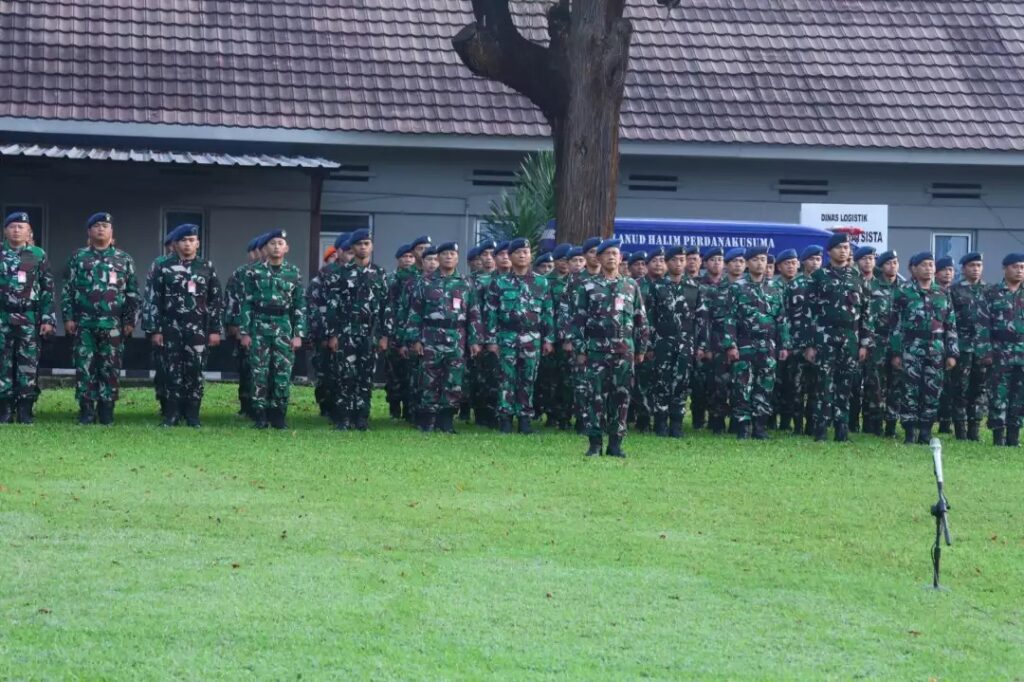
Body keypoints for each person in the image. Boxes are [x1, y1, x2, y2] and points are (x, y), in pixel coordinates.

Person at [571, 239, 649, 456]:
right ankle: (595, 443)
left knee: (621, 398)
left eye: (615, 253)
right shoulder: (588, 286)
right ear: (599, 258)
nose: (611, 257)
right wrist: (580, 349)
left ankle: (615, 443)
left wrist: (641, 349)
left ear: (621, 258)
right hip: (596, 350)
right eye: (607, 254)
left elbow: (640, 319)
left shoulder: (631, 285)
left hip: (624, 350)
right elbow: (578, 321)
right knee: (594, 397)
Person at [61, 212, 140, 425]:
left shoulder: (124, 259)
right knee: (85, 367)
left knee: (110, 367)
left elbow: (132, 293)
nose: (101, 229)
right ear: (89, 231)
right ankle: (86, 409)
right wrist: (67, 318)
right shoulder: (78, 258)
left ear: (112, 231)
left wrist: (130, 320)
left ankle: (107, 409)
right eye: (96, 226)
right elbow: (67, 290)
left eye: (105, 226)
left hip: (113, 324)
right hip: (84, 323)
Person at [141, 223, 223, 427]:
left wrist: (214, 329)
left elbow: (215, 300)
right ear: (175, 244)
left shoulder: (206, 267)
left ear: (198, 243)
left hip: (197, 329)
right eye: (184, 240)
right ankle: (171, 414)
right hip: (170, 328)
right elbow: (152, 298)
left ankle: (193, 414)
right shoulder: (162, 266)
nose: (188, 244)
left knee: (195, 370)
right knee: (171, 371)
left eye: (192, 240)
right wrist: (155, 329)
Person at [405, 241, 482, 432]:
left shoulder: (466, 283)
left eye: (452, 254)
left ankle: (446, 420)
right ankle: (428, 420)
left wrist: (475, 340)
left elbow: (474, 313)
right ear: (438, 258)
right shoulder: (425, 282)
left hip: (457, 337)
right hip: (430, 337)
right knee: (429, 378)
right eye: (445, 254)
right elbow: (414, 313)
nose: (449, 257)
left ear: (457, 258)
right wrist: (415, 339)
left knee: (453, 379)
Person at [804, 233, 873, 441]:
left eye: (847, 247)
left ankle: (842, 429)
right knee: (823, 383)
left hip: (850, 337)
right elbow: (809, 313)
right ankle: (821, 428)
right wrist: (809, 344)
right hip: (825, 336)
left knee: (846, 383)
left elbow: (867, 313)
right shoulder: (818, 277)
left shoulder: (857, 277)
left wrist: (864, 343)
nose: (844, 250)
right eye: (840, 247)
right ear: (830, 252)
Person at [322, 229, 391, 431]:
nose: (363, 247)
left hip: (369, 332)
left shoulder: (379, 273)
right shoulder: (340, 273)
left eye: (367, 243)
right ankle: (343, 418)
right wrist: (332, 334)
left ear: (372, 246)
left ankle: (361, 418)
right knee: (345, 376)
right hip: (346, 332)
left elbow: (386, 306)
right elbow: (332, 306)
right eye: (359, 244)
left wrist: (384, 335)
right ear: (352, 247)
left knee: (365, 377)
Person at [237, 230, 306, 429]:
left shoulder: (293, 272)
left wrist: (298, 334)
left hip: (283, 327)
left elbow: (300, 305)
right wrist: (245, 332)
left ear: (286, 248)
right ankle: (260, 414)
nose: (276, 246)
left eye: (280, 243)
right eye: (272, 243)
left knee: (282, 372)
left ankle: (279, 415)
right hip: (259, 327)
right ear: (265, 248)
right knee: (259, 372)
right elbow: (247, 303)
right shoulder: (254, 272)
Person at [484, 238, 554, 434]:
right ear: (511, 256)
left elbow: (548, 312)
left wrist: (549, 339)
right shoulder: (499, 282)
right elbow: (490, 313)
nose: (523, 255)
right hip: (506, 336)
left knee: (528, 379)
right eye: (518, 252)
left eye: (526, 252)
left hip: (532, 337)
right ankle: (505, 418)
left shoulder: (542, 282)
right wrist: (491, 340)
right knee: (506, 379)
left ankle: (525, 419)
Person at [890, 251, 958, 444]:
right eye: (924, 265)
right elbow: (894, 325)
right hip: (911, 348)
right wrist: (895, 352)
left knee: (932, 391)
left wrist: (952, 352)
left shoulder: (943, 294)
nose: (929, 268)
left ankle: (926, 430)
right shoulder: (903, 293)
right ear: (915, 268)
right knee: (910, 391)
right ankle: (910, 430)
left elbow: (951, 325)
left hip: (936, 349)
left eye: (931, 265)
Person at [722, 246, 789, 439]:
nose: (760, 263)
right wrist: (731, 345)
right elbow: (730, 319)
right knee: (742, 387)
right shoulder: (737, 288)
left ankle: (760, 427)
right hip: (745, 345)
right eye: (755, 259)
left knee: (765, 386)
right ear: (748, 263)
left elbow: (781, 319)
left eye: (763, 259)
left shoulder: (775, 288)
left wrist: (784, 344)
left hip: (768, 347)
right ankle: (743, 428)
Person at [0, 212, 55, 424]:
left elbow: (47, 289)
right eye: (12, 226)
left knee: (28, 364)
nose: (16, 230)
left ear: (29, 232)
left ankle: (25, 409)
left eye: (21, 227)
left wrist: (48, 319)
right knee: (2, 364)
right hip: (3, 316)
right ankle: (4, 409)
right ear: (5, 230)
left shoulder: (37, 254)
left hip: (28, 317)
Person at [647, 245, 704, 437]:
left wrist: (700, 345)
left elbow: (700, 320)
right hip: (663, 342)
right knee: (661, 383)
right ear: (667, 262)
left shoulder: (694, 287)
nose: (679, 263)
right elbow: (650, 318)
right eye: (674, 260)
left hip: (686, 344)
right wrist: (650, 344)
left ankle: (677, 424)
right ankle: (661, 424)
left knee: (682, 383)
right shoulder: (657, 287)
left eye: (682, 259)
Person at [978, 253, 1024, 446]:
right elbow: (982, 324)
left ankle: (1014, 436)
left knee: (1019, 396)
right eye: (1015, 267)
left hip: (1022, 352)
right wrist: (985, 351)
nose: (1019, 270)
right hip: (999, 351)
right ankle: (998, 435)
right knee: (998, 394)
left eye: (1022, 267)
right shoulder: (992, 292)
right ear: (1004, 268)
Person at [223, 235, 264, 418]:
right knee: (246, 368)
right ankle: (246, 404)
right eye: (256, 251)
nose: (259, 254)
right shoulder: (241, 273)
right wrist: (233, 325)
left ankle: (262, 406)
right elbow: (232, 300)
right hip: (245, 329)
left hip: (265, 327)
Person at [948, 252, 987, 440]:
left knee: (978, 389)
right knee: (961, 389)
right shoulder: (954, 291)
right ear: (963, 269)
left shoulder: (990, 291)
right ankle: (961, 431)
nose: (976, 269)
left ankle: (975, 430)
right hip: (962, 348)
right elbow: (949, 320)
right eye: (972, 265)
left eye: (979, 265)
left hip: (982, 348)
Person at [536, 243, 574, 429]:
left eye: (568, 260)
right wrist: (548, 338)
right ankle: (551, 414)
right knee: (550, 379)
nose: (565, 264)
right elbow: (545, 313)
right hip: (551, 337)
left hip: (571, 339)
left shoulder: (575, 282)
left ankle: (566, 416)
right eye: (561, 260)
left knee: (568, 379)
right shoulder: (546, 282)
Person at [864, 250, 901, 436]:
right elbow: (866, 317)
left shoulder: (905, 288)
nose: (892, 266)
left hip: (897, 344)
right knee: (876, 385)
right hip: (877, 342)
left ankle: (892, 426)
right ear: (881, 266)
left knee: (896, 386)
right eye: (888, 263)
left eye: (895, 262)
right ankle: (875, 424)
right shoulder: (871, 287)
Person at [693, 246, 725, 430]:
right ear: (705, 263)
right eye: (713, 260)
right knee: (698, 384)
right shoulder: (696, 285)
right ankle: (698, 419)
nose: (716, 263)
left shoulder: (730, 286)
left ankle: (717, 420)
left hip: (721, 343)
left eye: (719, 260)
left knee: (719, 384)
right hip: (700, 341)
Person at [305, 245, 339, 418]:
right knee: (323, 372)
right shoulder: (317, 283)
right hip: (321, 336)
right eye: (331, 257)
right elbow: (312, 310)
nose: (334, 260)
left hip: (342, 335)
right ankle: (325, 406)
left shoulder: (343, 279)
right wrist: (319, 335)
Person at [385, 242, 417, 420]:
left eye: (411, 257)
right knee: (393, 372)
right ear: (398, 260)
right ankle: (394, 407)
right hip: (393, 329)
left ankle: (409, 409)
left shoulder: (418, 279)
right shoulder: (391, 279)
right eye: (404, 257)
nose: (408, 260)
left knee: (410, 372)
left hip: (410, 329)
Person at [848, 245, 877, 433]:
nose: (869, 262)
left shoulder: (882, 283)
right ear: (857, 261)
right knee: (853, 385)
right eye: (865, 258)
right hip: (854, 341)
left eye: (872, 258)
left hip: (876, 343)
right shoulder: (852, 281)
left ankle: (871, 425)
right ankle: (852, 423)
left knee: (874, 386)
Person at [771, 248, 800, 432]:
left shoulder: (804, 286)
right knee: (775, 383)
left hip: (798, 344)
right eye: (786, 263)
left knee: (794, 385)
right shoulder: (772, 288)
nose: (791, 266)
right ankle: (771, 419)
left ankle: (788, 422)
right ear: (779, 267)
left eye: (793, 263)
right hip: (776, 343)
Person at [934, 255, 957, 432]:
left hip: (953, 345)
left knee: (951, 386)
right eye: (944, 270)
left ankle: (946, 423)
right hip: (934, 345)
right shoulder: (933, 292)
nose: (948, 273)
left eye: (951, 270)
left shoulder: (956, 292)